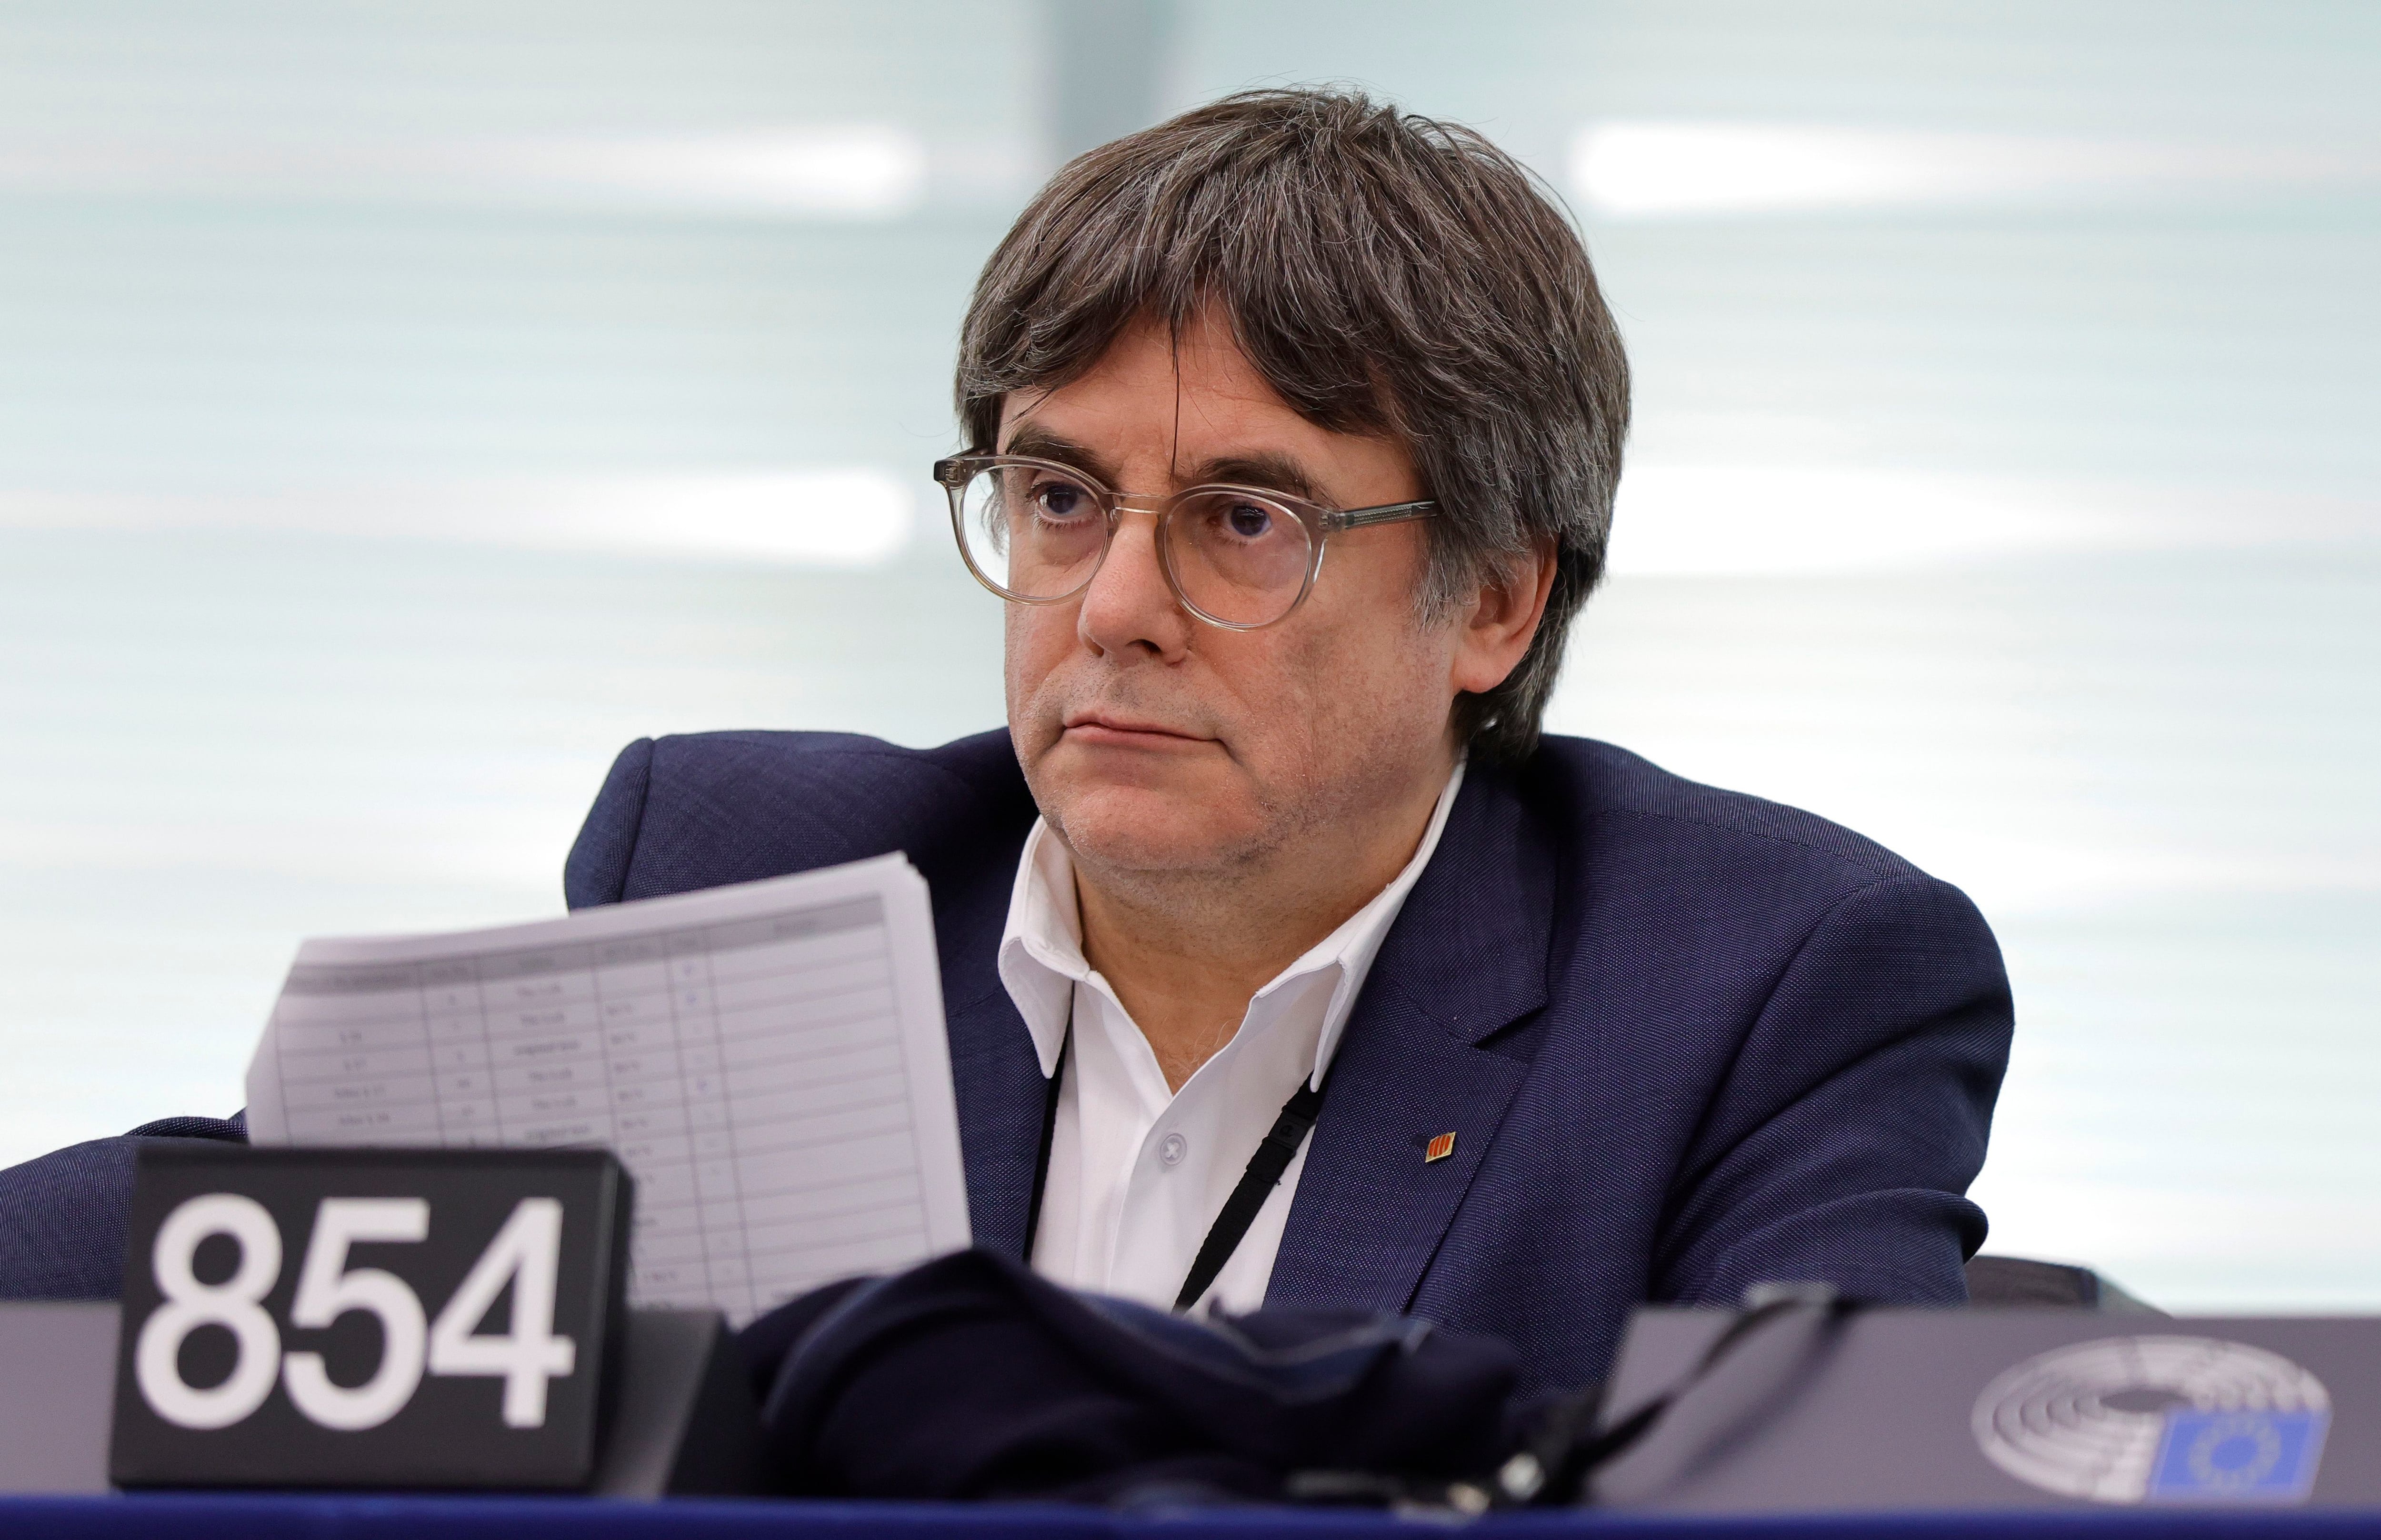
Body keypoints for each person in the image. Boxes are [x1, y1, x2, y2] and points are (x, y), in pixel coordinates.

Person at [0, 89, 2011, 1398]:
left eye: (1244, 518)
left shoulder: (1764, 978)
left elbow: (1812, 1488)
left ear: (1493, 596)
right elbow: (271, 1247)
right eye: (1058, 497)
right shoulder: (751, 863)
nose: (1112, 602)